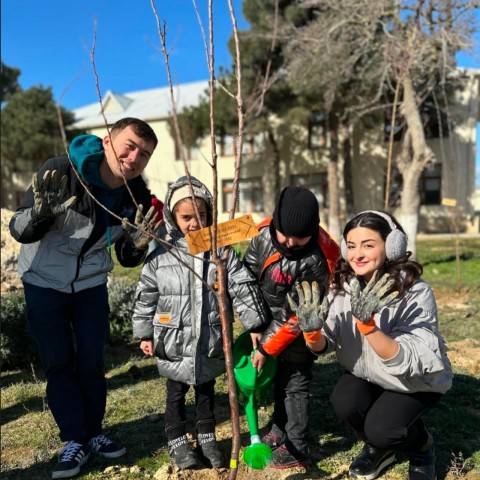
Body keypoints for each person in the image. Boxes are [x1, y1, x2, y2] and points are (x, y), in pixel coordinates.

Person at [9, 117, 161, 480]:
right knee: (59, 362)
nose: (135, 157)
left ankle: (94, 433)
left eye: (145, 153)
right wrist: (40, 216)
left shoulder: (135, 194)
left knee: (92, 360)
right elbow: (18, 228)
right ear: (107, 141)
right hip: (44, 283)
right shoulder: (61, 171)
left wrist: (137, 245)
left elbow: (125, 257)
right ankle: (73, 439)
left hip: (91, 286)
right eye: (129, 145)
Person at [289, 210, 453, 480]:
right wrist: (312, 334)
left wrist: (368, 326)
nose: (357, 255)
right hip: (370, 373)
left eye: (368, 245)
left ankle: (422, 446)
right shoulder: (344, 285)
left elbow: (409, 359)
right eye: (351, 246)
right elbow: (325, 344)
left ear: (391, 246)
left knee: (382, 428)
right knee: (344, 402)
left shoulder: (415, 291)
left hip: (414, 380)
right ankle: (381, 450)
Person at [131, 176, 269, 470]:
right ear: (172, 216)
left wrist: (255, 324)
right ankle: (177, 438)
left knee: (206, 389)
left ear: (210, 214)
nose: (195, 223)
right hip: (173, 337)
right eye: (186, 217)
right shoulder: (161, 250)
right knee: (176, 392)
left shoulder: (220, 249)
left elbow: (241, 284)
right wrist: (144, 332)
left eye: (201, 216)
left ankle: (207, 436)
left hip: (210, 336)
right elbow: (147, 293)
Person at [242, 186, 340, 469]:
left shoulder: (319, 260)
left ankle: (297, 446)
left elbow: (296, 314)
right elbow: (248, 273)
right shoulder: (263, 233)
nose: (289, 242)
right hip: (266, 323)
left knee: (295, 384)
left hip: (298, 330)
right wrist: (254, 322)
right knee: (278, 379)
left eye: (300, 238)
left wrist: (265, 347)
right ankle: (279, 429)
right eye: (284, 234)